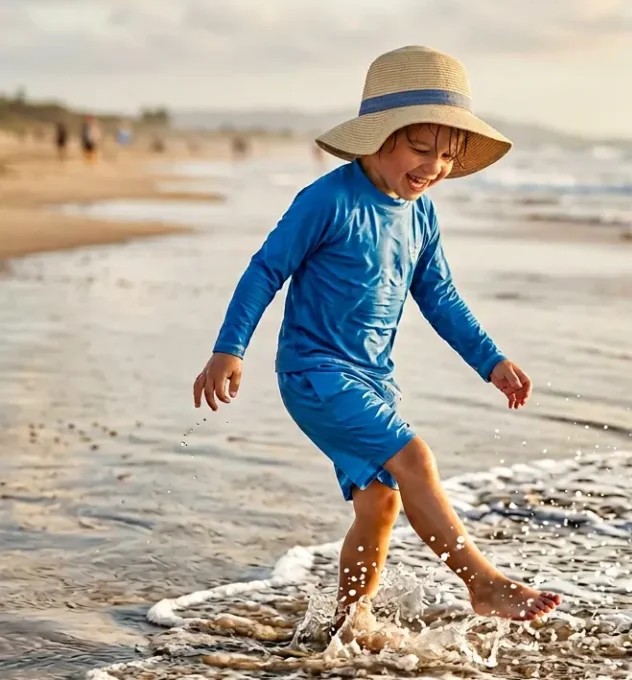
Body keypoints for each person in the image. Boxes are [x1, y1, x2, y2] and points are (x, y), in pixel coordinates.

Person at [191, 45, 562, 637]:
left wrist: (490, 360)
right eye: (421, 148)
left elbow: (440, 298)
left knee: (380, 504)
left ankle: (348, 622)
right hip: (315, 373)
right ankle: (482, 583)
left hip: (373, 379)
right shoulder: (328, 200)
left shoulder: (421, 217)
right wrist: (229, 348)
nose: (433, 166)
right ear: (379, 137)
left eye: (447, 155)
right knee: (416, 458)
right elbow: (266, 269)